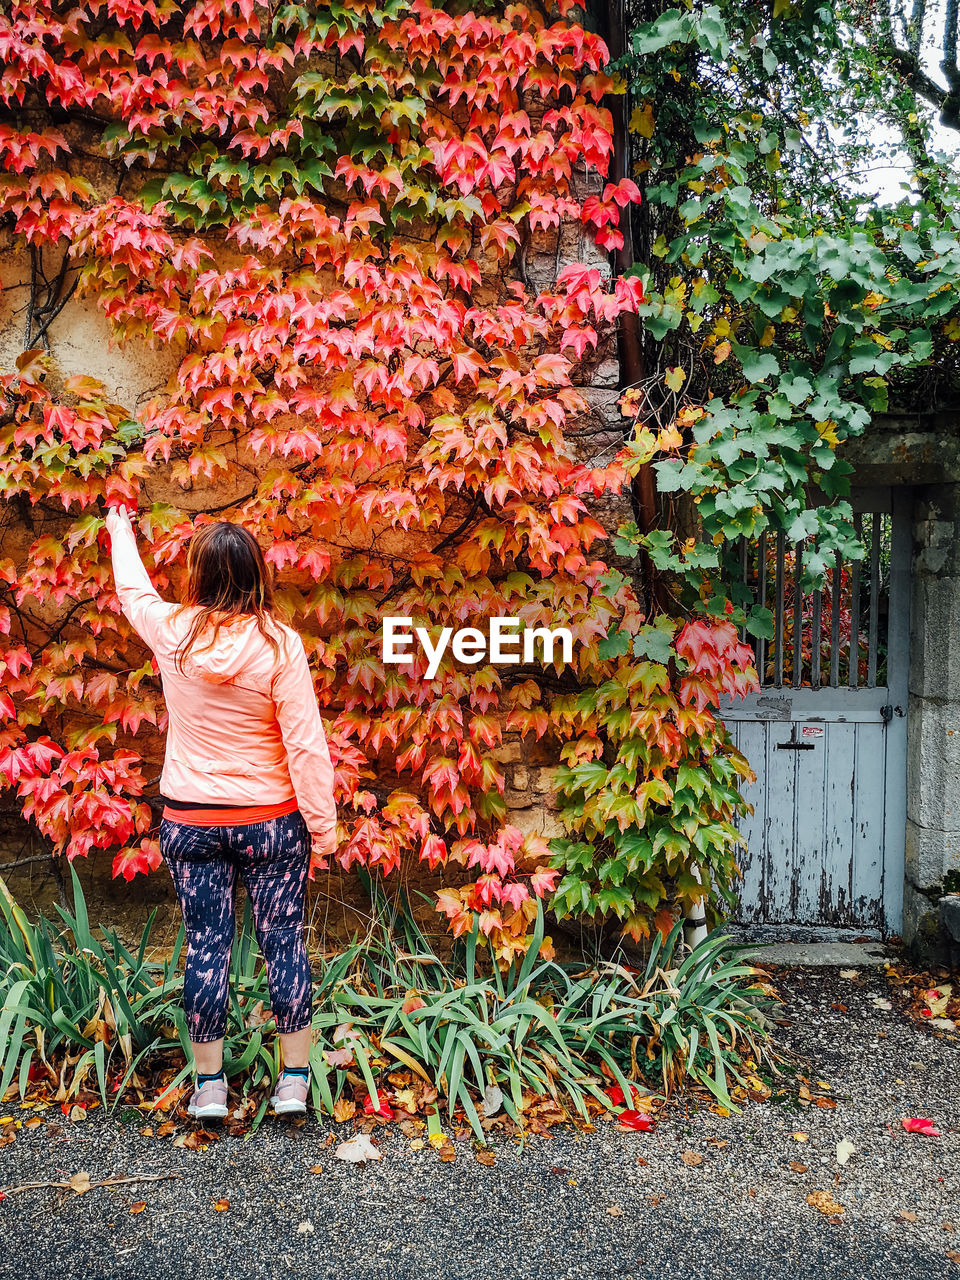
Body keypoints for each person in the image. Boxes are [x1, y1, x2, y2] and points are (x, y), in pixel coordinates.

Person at [105, 507, 337, 1121]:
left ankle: (210, 1088)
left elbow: (133, 591)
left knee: (205, 947)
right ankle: (293, 1081)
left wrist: (119, 529)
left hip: (192, 822)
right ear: (258, 572)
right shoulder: (278, 644)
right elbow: (305, 742)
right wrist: (324, 827)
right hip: (271, 821)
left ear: (199, 575)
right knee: (283, 942)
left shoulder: (172, 631)